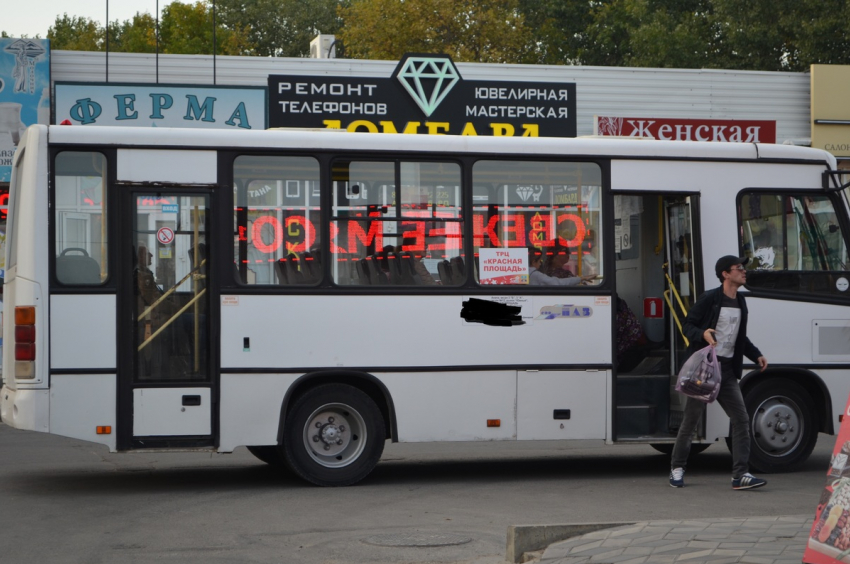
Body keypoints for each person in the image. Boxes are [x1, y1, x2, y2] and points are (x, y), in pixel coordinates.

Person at [669, 255, 769, 490]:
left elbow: (739, 337)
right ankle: (677, 467)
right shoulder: (710, 298)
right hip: (704, 370)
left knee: (741, 419)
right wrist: (703, 333)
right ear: (726, 274)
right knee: (691, 420)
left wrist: (756, 355)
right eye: (739, 268)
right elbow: (687, 325)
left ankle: (740, 475)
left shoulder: (741, 301)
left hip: (727, 370)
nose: (744, 272)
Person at [528, 247, 595, 286]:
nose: (540, 264)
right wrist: (581, 279)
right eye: (539, 261)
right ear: (533, 262)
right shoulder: (535, 275)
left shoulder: (520, 273)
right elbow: (558, 283)